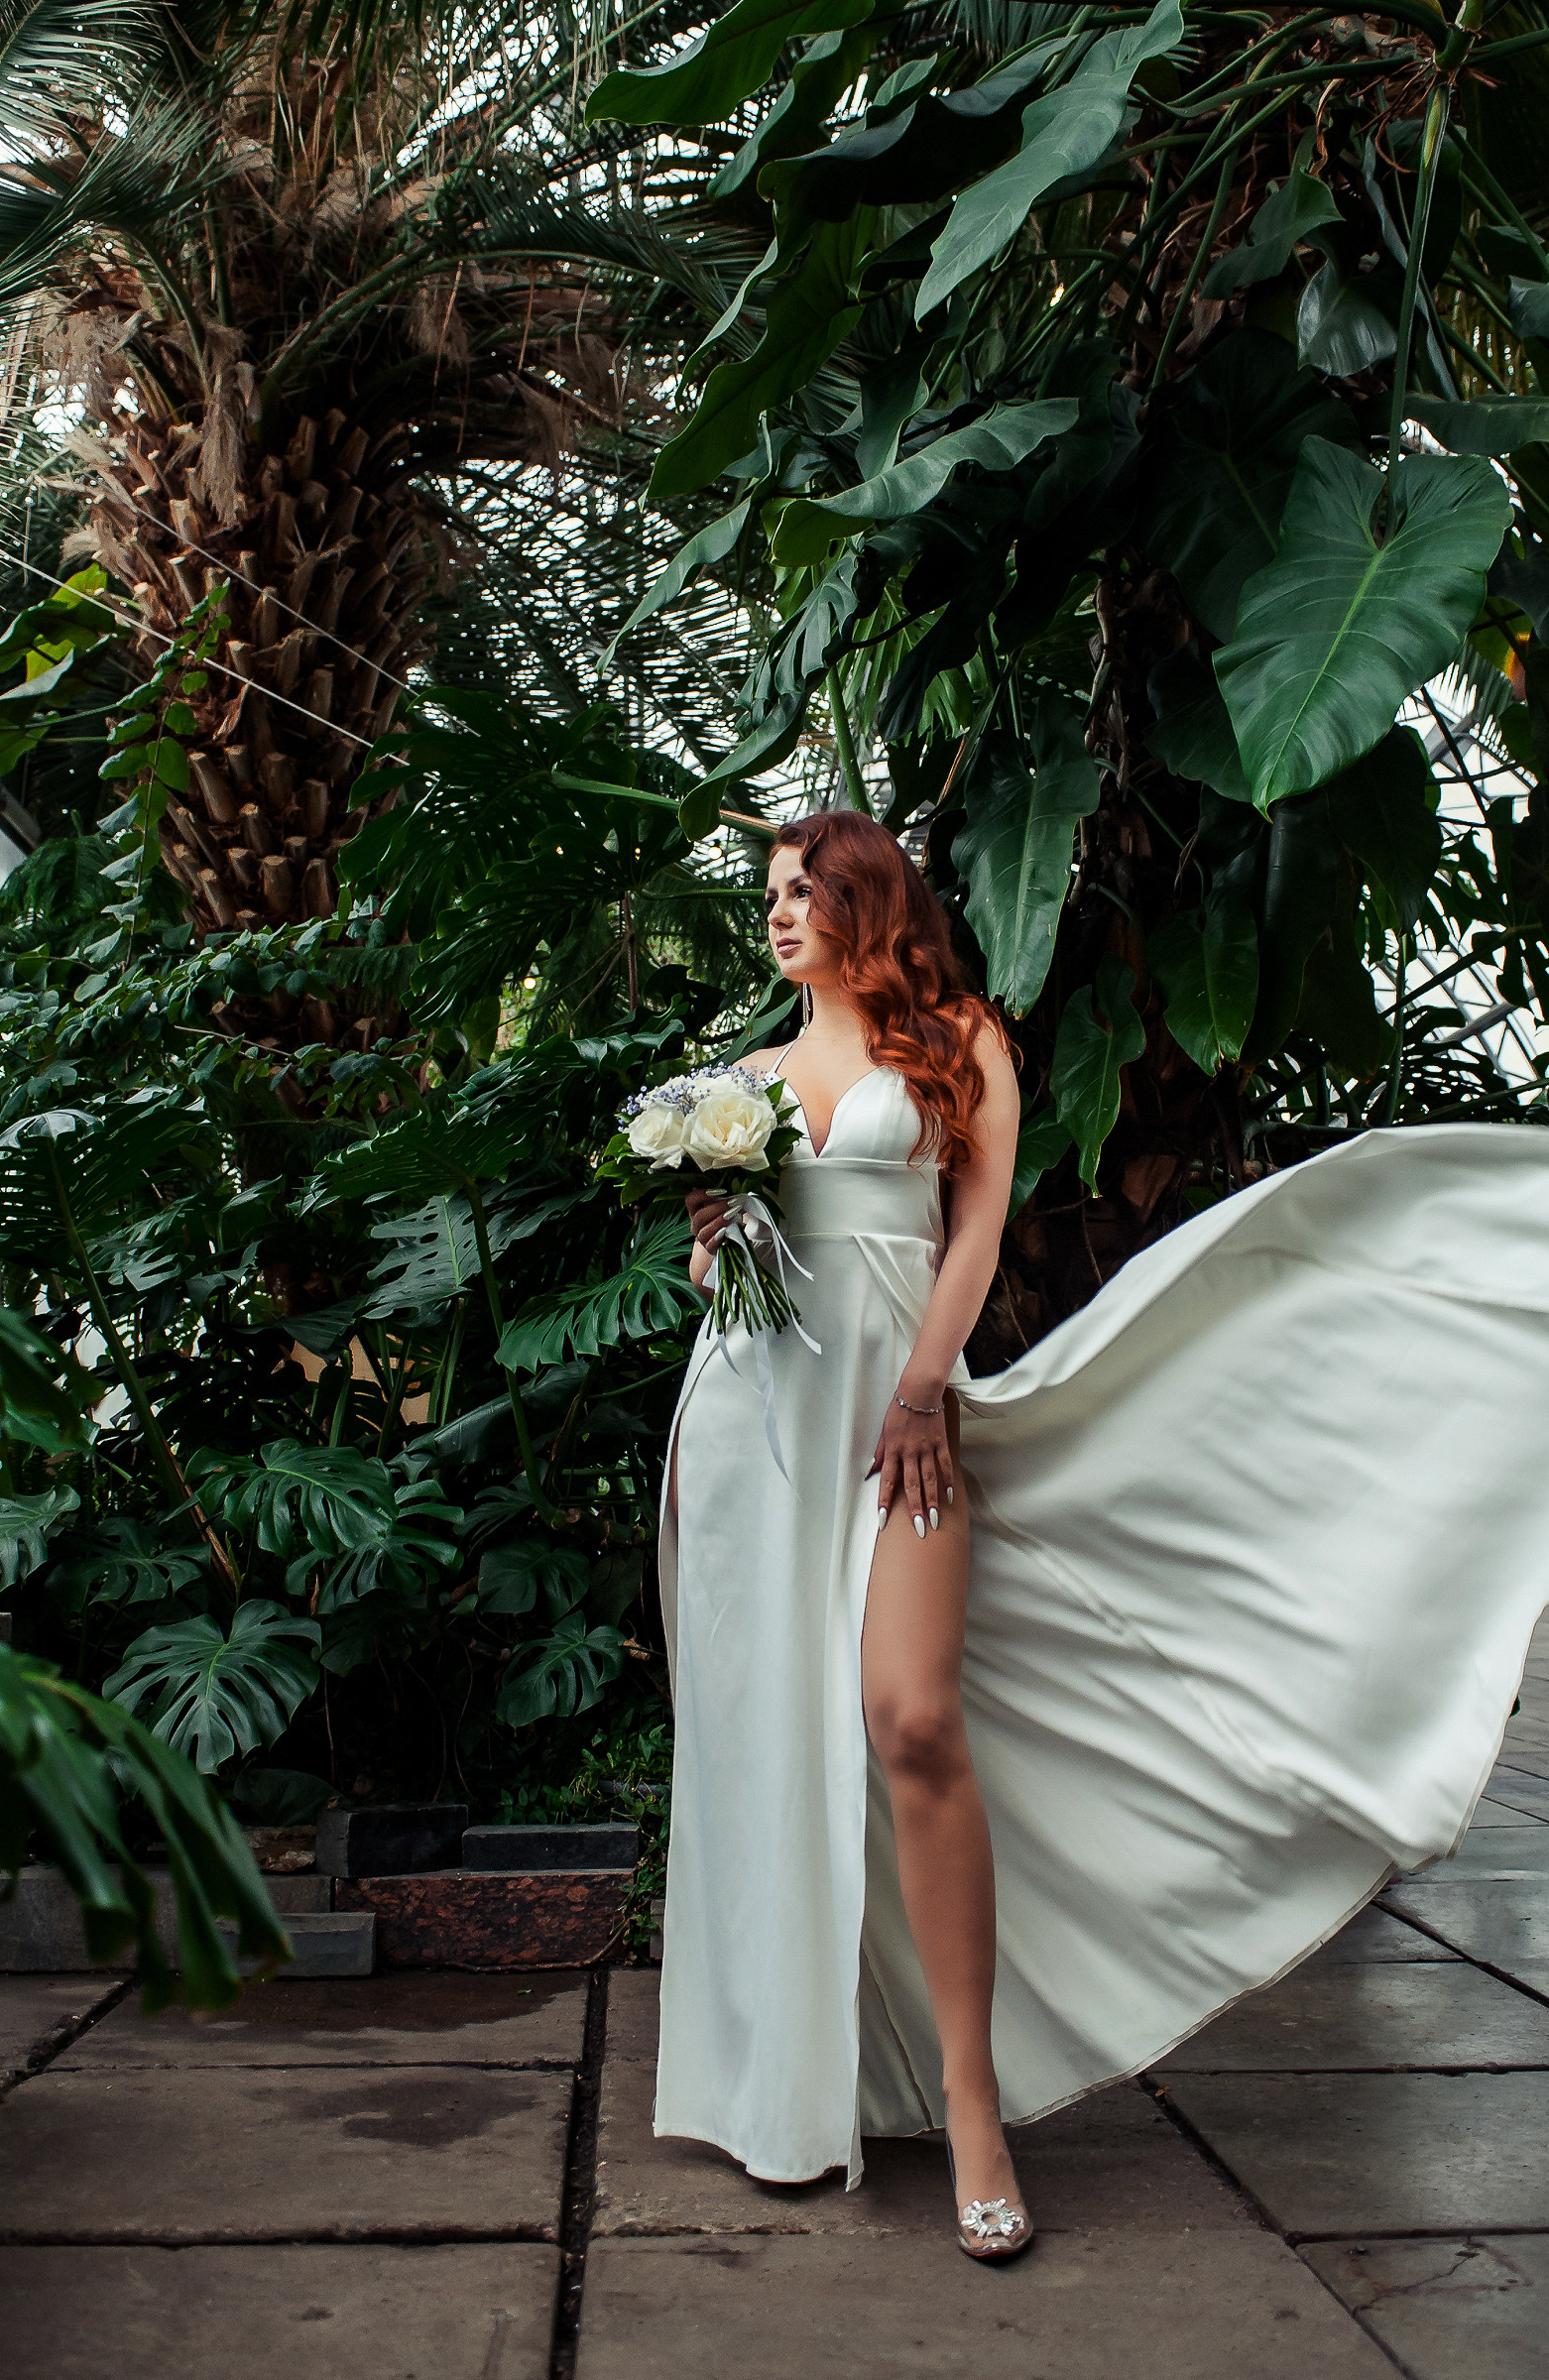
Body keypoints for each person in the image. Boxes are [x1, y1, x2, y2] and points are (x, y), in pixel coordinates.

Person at [655, 808, 1549, 2265]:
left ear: (871, 900)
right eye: (769, 895)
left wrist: (923, 1391)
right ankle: (783, 2082)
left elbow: (971, 1234)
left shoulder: (956, 1042)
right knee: (769, 1747)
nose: (779, 913)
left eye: (806, 889)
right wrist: (716, 1232)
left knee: (914, 1724)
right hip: (750, 1430)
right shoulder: (741, 1083)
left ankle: (973, 2110)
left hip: (901, 1420)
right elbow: (729, 1279)